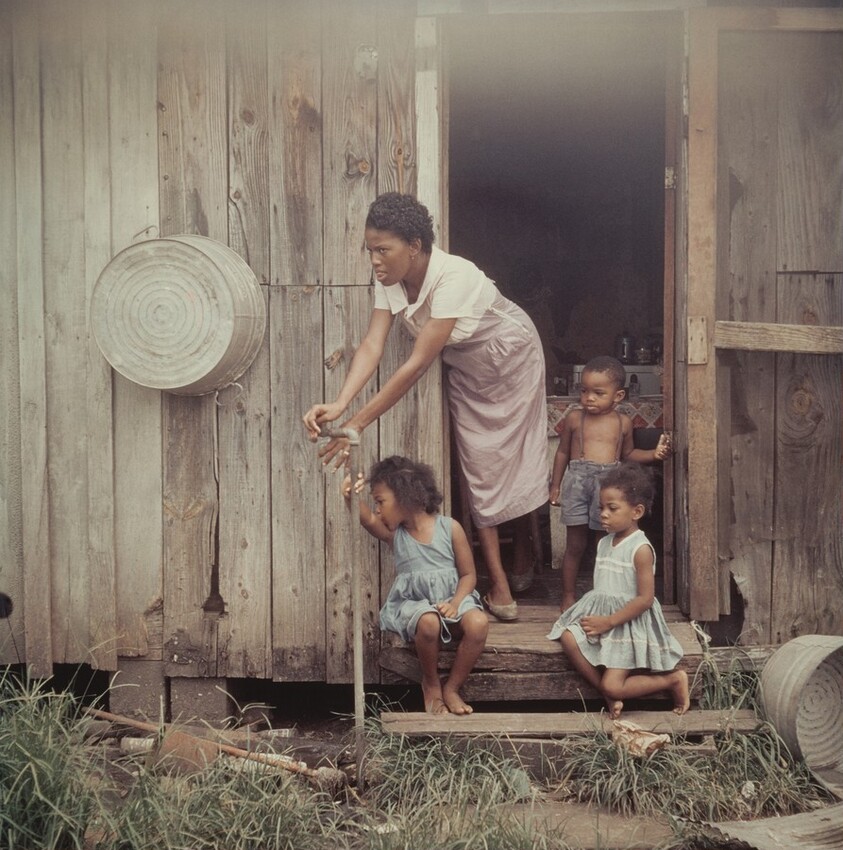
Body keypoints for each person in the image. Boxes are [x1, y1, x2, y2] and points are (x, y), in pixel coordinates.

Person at [304, 192, 548, 621]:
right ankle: (501, 582)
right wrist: (340, 404)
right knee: (479, 467)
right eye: (370, 250)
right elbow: (373, 343)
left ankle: (512, 570)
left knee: (509, 462)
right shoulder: (389, 280)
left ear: (414, 246)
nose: (374, 260)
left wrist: (357, 423)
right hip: (468, 363)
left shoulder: (455, 276)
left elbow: (417, 363)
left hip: (510, 355)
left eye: (383, 250)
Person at [343, 456, 489, 715]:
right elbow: (367, 519)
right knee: (429, 622)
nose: (377, 510)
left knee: (479, 623)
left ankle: (452, 687)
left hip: (452, 600)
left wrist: (456, 604)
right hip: (416, 606)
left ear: (406, 496)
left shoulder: (450, 528)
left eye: (380, 501)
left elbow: (468, 575)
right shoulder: (395, 535)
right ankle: (431, 683)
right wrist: (349, 495)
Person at [547, 462, 689, 718]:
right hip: (604, 617)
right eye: (601, 508)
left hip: (627, 623)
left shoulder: (640, 549)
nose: (603, 514)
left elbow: (645, 600)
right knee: (568, 637)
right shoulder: (604, 543)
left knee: (613, 683)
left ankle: (672, 680)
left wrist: (609, 622)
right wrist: (600, 619)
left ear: (636, 511)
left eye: (612, 508)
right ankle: (608, 695)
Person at [548, 355, 671, 612]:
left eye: (598, 393)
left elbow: (629, 455)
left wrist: (653, 455)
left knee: (603, 544)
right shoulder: (574, 419)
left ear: (618, 396)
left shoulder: (623, 423)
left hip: (607, 487)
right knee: (575, 545)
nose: (589, 398)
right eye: (584, 391)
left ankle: (603, 595)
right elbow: (562, 453)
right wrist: (555, 486)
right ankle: (568, 595)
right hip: (577, 483)